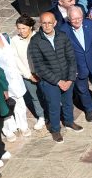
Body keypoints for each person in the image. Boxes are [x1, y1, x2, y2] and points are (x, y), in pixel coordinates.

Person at [27, 12, 81, 143]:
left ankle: (69, 121)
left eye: (49, 23)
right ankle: (55, 130)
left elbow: (71, 58)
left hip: (67, 77)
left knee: (68, 102)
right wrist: (58, 81)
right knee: (54, 106)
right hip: (50, 82)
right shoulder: (35, 41)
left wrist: (70, 79)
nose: (47, 26)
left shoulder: (62, 36)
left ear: (55, 23)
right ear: (40, 24)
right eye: (44, 23)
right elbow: (39, 67)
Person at [11, 15, 46, 131]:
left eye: (24, 28)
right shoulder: (15, 40)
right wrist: (29, 75)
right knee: (35, 97)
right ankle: (41, 116)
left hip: (43, 73)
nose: (21, 31)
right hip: (27, 74)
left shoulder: (39, 37)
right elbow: (16, 59)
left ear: (30, 27)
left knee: (48, 94)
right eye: (19, 28)